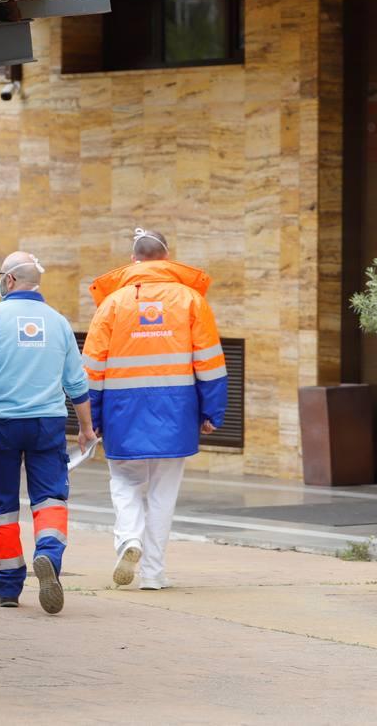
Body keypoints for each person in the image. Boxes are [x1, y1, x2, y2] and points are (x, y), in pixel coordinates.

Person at [0, 251, 96, 613]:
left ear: (9, 280)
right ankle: (49, 557)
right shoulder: (57, 323)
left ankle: (8, 587)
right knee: (51, 497)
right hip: (47, 423)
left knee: (5, 506)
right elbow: (76, 381)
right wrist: (86, 428)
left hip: (2, 425)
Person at [82, 228, 228, 590]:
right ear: (167, 258)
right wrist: (213, 412)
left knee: (124, 481)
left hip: (122, 411)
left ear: (134, 261)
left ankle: (128, 539)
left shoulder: (112, 304)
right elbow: (209, 362)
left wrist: (92, 419)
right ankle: (153, 574)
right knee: (164, 492)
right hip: (176, 412)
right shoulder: (192, 300)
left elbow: (91, 369)